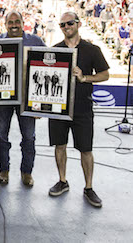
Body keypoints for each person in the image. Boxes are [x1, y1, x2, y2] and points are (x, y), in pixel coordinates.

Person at [48, 11, 109, 208]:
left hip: (82, 106)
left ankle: (89, 187)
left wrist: (84, 78)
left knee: (86, 149)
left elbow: (105, 75)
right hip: (58, 107)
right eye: (63, 25)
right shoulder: (55, 50)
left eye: (70, 23)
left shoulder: (92, 49)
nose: (66, 27)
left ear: (78, 24)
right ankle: (62, 181)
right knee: (59, 145)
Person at [0, 11, 45, 187]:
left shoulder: (36, 41)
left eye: (17, 22)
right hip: (3, 99)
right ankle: (4, 170)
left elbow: (47, 70)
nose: (14, 25)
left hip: (27, 99)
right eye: (10, 22)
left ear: (23, 23)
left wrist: (42, 104)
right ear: (5, 24)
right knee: (1, 136)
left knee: (29, 138)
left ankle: (27, 172)